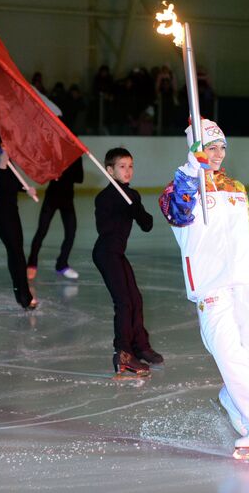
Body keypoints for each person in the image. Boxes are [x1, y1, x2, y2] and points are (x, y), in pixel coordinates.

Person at [158, 119, 249, 455]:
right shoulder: (179, 187)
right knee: (228, 353)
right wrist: (190, 170)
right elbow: (179, 213)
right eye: (210, 147)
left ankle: (233, 397)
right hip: (210, 283)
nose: (216, 153)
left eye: (221, 147)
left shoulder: (236, 187)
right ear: (196, 150)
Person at [93, 147, 162, 376]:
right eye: (122, 167)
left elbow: (147, 224)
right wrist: (122, 208)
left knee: (136, 299)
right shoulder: (104, 198)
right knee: (124, 302)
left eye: (130, 166)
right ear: (110, 170)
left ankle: (140, 346)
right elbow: (105, 228)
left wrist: (135, 209)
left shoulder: (132, 196)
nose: (128, 170)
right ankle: (123, 353)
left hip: (118, 254)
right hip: (105, 253)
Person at [0, 149, 37, 310]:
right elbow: (4, 157)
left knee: (15, 252)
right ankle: (25, 297)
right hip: (2, 213)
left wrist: (27, 190)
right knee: (17, 253)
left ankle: (20, 293)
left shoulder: (12, 166)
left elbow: (13, 186)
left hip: (8, 212)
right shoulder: (3, 162)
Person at [26, 157, 84, 280]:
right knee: (42, 230)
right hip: (51, 198)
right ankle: (32, 263)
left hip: (67, 200)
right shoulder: (55, 155)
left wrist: (65, 171)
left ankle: (62, 264)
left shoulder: (76, 157)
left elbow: (80, 178)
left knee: (71, 233)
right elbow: (43, 172)